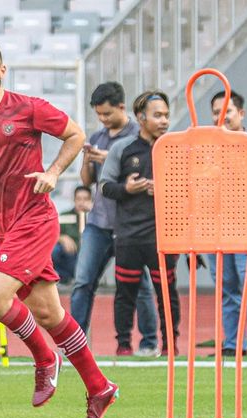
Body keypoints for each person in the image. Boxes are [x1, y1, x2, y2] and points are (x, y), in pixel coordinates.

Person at [0, 42, 118, 418]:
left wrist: (53, 172)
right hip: (5, 227)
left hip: (36, 220)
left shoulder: (28, 108)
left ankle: (44, 358)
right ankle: (99, 386)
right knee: (48, 312)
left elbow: (74, 135)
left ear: (3, 70)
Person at [69, 82, 160, 357]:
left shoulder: (139, 136)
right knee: (83, 281)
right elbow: (88, 183)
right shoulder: (97, 137)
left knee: (140, 286)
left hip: (130, 225)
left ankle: (149, 342)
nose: (103, 120)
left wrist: (107, 157)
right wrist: (87, 160)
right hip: (98, 222)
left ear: (122, 107)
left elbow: (136, 168)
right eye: (99, 115)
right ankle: (74, 343)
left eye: (107, 114)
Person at [99, 90, 182, 356]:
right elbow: (104, 187)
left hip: (163, 237)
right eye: (157, 115)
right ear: (140, 117)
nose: (164, 121)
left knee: (167, 294)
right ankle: (123, 346)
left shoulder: (175, 148)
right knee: (125, 294)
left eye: (166, 115)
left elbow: (189, 187)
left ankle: (170, 345)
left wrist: (166, 189)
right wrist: (128, 188)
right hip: (129, 236)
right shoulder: (122, 149)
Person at [204, 90, 247, 356]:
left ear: (240, 114)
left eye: (227, 111)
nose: (220, 118)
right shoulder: (206, 145)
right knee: (228, 289)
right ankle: (233, 344)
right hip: (217, 230)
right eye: (215, 112)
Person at [52, 186, 91, 284]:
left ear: (91, 200)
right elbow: (50, 235)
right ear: (74, 200)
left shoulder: (95, 217)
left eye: (85, 199)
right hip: (70, 257)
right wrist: (62, 238)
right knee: (54, 250)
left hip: (90, 259)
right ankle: (65, 278)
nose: (82, 202)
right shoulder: (65, 216)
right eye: (79, 199)